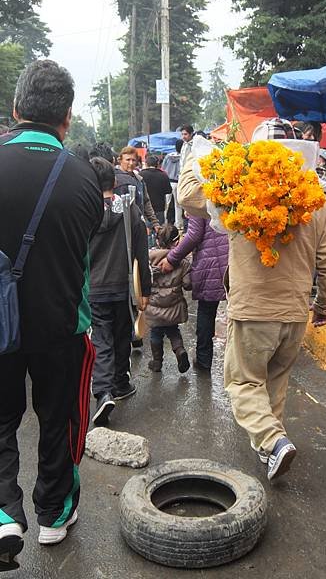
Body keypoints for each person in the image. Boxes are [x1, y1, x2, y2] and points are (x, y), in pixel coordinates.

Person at [176, 143, 326, 481]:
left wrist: (194, 151)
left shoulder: (239, 191)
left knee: (242, 382)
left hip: (253, 311)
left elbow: (187, 194)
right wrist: (324, 305)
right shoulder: (317, 200)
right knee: (274, 385)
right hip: (295, 312)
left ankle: (273, 441)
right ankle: (270, 452)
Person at [0, 60, 103, 558]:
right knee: (59, 417)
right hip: (64, 323)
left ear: (16, 109)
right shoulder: (83, 177)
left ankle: (3, 510)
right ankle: (53, 512)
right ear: (66, 117)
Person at [88, 157, 151, 426]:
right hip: (122, 286)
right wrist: (145, 289)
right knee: (122, 335)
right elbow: (141, 252)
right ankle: (120, 384)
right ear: (114, 181)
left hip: (93, 287)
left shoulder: (84, 211)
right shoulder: (129, 208)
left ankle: (103, 392)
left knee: (101, 339)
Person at [159, 216, 229, 372]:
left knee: (206, 311)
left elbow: (194, 234)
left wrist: (172, 258)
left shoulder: (198, 195)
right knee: (238, 313)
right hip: (235, 259)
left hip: (210, 262)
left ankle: (204, 360)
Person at [147, 224, 192, 374]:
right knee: (173, 331)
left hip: (154, 307)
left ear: (158, 242)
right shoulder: (182, 261)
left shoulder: (149, 258)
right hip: (174, 307)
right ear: (176, 242)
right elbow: (187, 284)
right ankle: (180, 351)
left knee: (155, 333)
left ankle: (157, 362)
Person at [114, 146, 160, 231]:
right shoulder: (114, 180)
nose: (131, 163)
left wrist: (154, 223)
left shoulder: (139, 180)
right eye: (127, 160)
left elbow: (146, 202)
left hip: (138, 226)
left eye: (133, 160)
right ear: (120, 160)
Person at [140, 154, 172, 225]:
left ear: (146, 163)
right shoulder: (163, 175)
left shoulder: (141, 175)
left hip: (146, 209)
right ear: (157, 164)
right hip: (159, 207)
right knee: (160, 231)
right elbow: (169, 191)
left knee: (147, 231)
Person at [162, 139, 183, 228]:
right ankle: (179, 224)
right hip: (178, 182)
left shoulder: (168, 156)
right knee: (178, 205)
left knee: (166, 204)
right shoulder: (183, 157)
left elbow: (163, 168)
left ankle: (164, 223)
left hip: (168, 182)